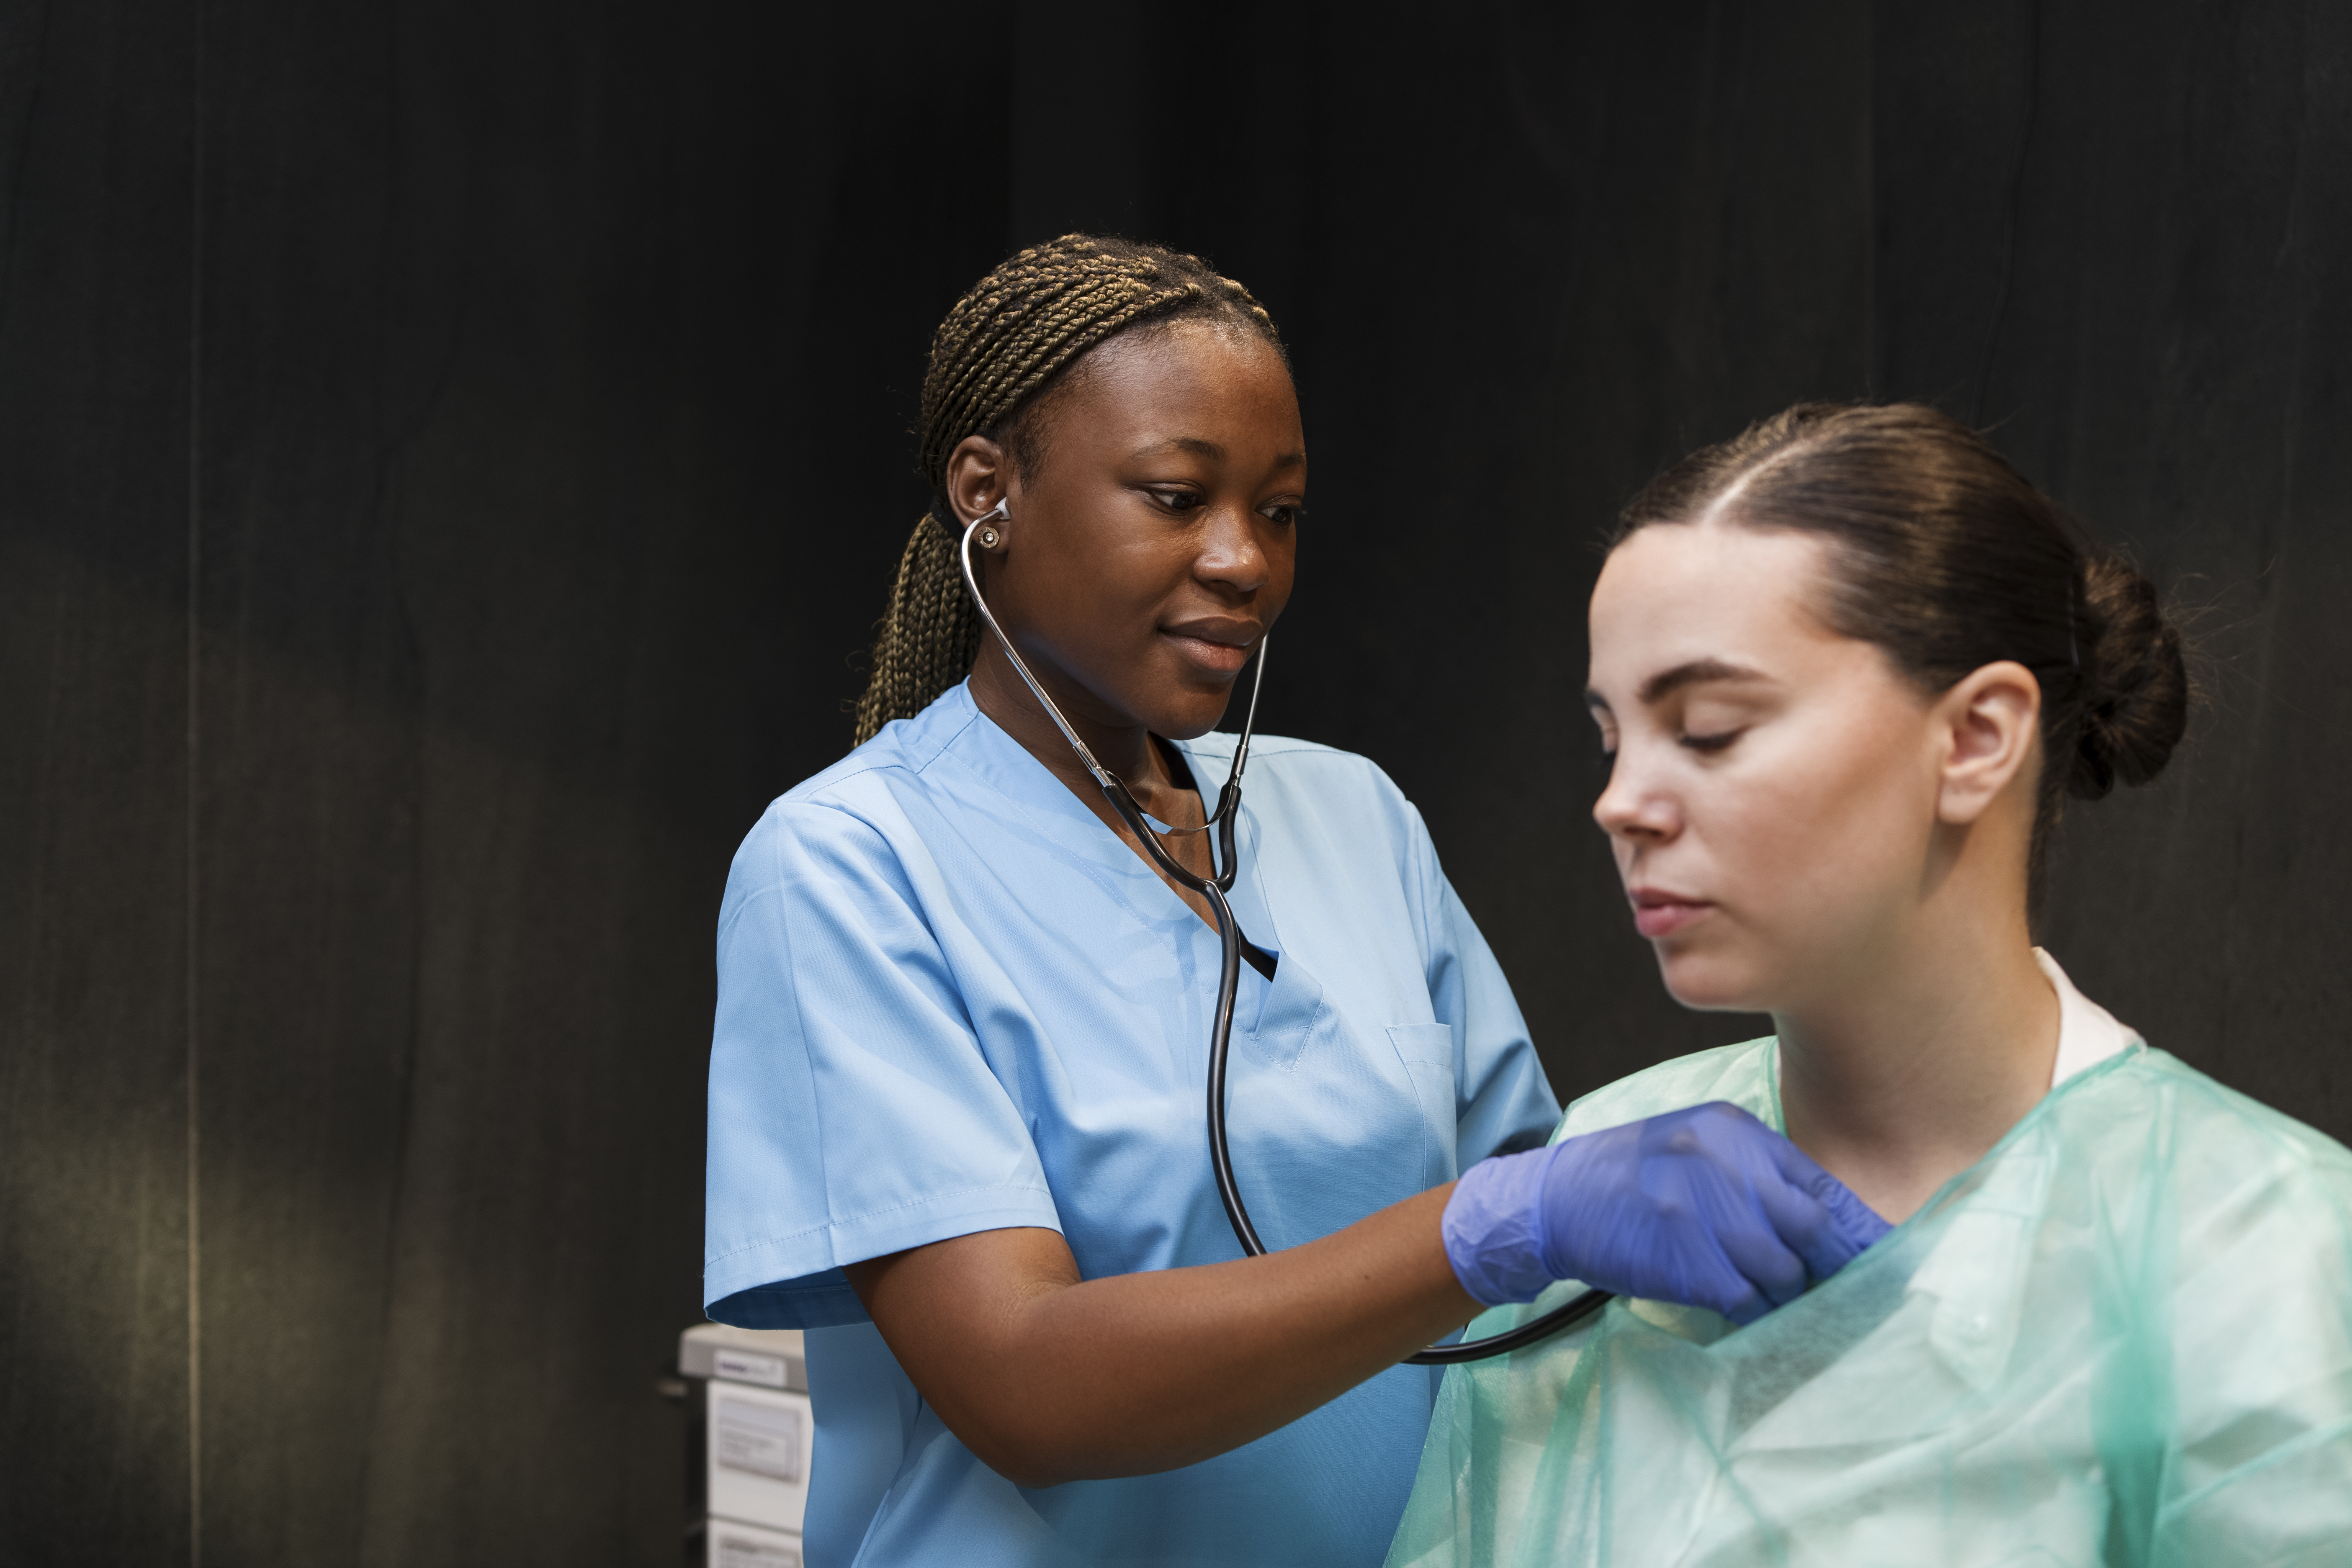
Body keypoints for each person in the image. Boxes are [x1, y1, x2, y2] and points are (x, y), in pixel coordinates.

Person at [702, 238, 1887, 1568]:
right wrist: (1490, 1226)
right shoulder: (851, 863)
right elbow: (1021, 1384)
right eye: (1173, 495)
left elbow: (1544, 1272)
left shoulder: (1353, 818)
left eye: (1279, 511)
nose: (1243, 562)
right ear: (989, 494)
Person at [1386, 402, 2352, 1568]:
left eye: (1705, 729)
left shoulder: (2260, 1244)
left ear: (1977, 737)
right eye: (1611, 737)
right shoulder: (1604, 1178)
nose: (1620, 801)